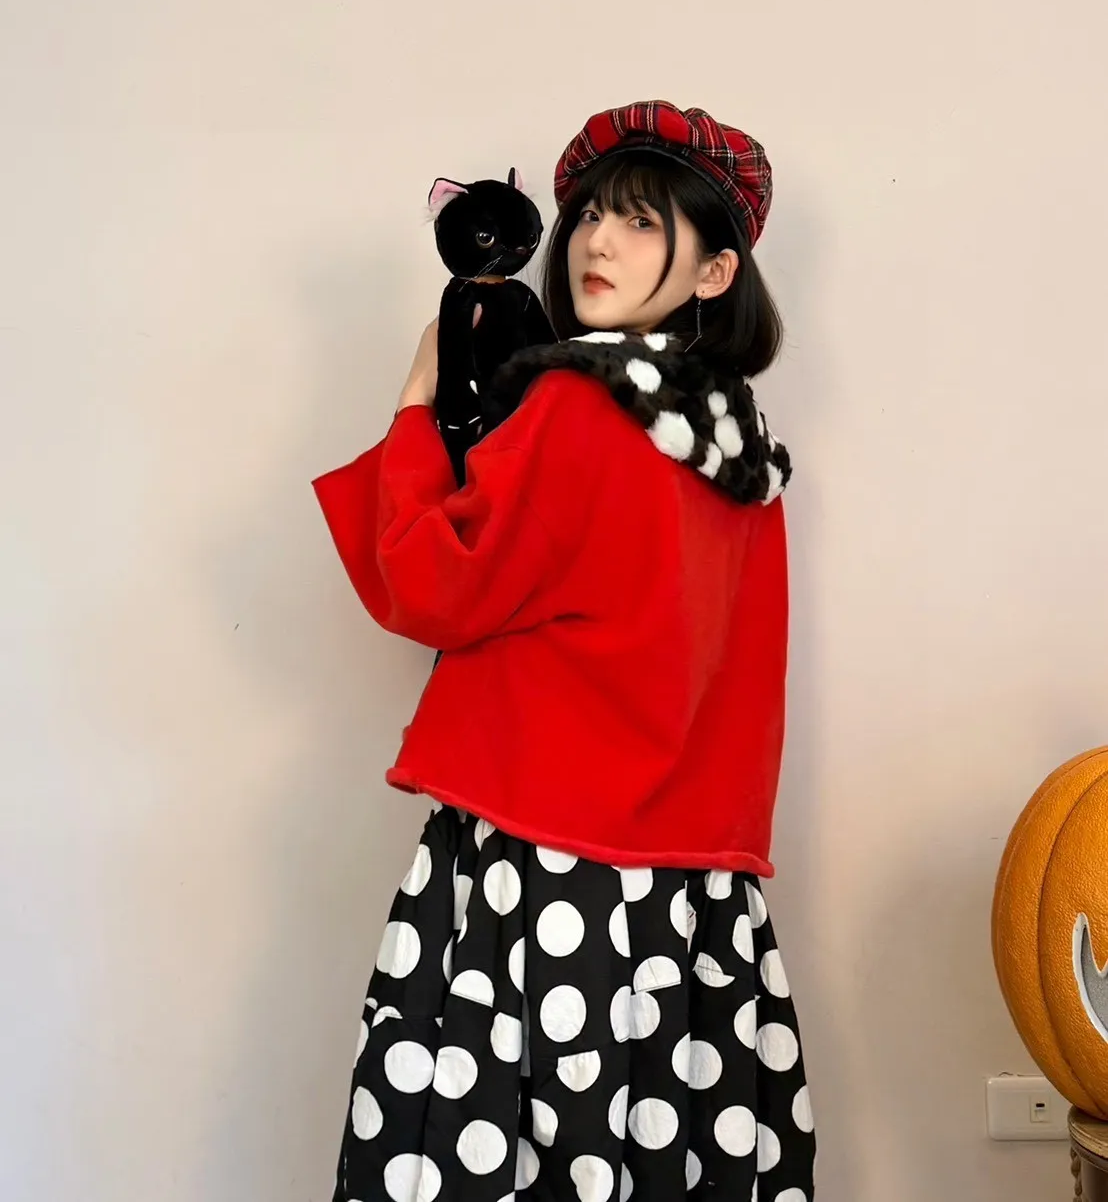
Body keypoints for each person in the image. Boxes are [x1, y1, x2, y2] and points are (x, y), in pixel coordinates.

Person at [313, 101, 816, 1202]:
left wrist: (417, 398)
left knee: (484, 1149)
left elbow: (435, 583)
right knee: (657, 1148)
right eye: (591, 214)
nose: (598, 241)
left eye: (641, 223)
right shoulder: (747, 458)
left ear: (716, 271)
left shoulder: (576, 408)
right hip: (687, 892)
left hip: (540, 863)